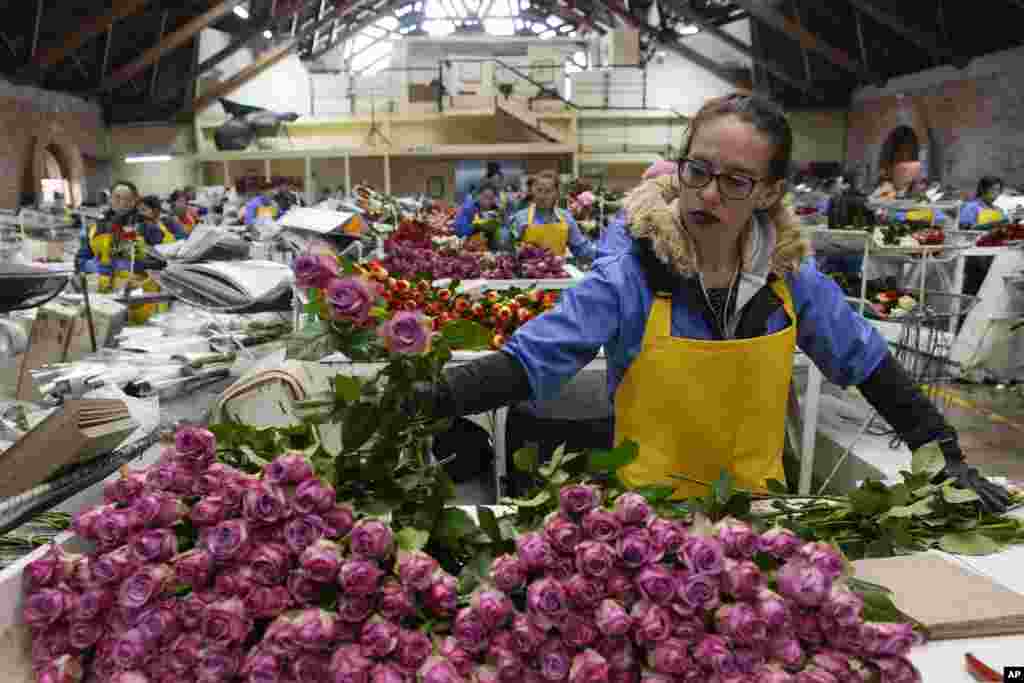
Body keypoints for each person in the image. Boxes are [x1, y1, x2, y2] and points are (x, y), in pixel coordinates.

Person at [425, 93, 1008, 512]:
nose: (706, 193)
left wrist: (942, 451)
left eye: (734, 180)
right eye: (697, 170)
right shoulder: (630, 276)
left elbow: (869, 365)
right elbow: (533, 360)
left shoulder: (791, 283)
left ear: (770, 192)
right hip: (645, 517)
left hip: (758, 515)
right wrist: (434, 397)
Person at [504, 170, 596, 260]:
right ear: (533, 191)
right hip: (528, 272)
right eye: (539, 190)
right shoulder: (520, 217)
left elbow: (581, 248)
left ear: (556, 193)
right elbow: (509, 249)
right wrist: (515, 247)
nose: (542, 196)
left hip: (557, 272)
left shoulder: (566, 218)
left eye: (548, 191)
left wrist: (602, 255)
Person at [75, 180, 145, 290]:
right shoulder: (96, 227)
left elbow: (160, 263)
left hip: (135, 291)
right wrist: (90, 265)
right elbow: (79, 260)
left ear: (134, 201)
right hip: (102, 290)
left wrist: (137, 266)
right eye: (117, 197)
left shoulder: (144, 226)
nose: (122, 202)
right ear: (110, 200)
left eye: (127, 198)